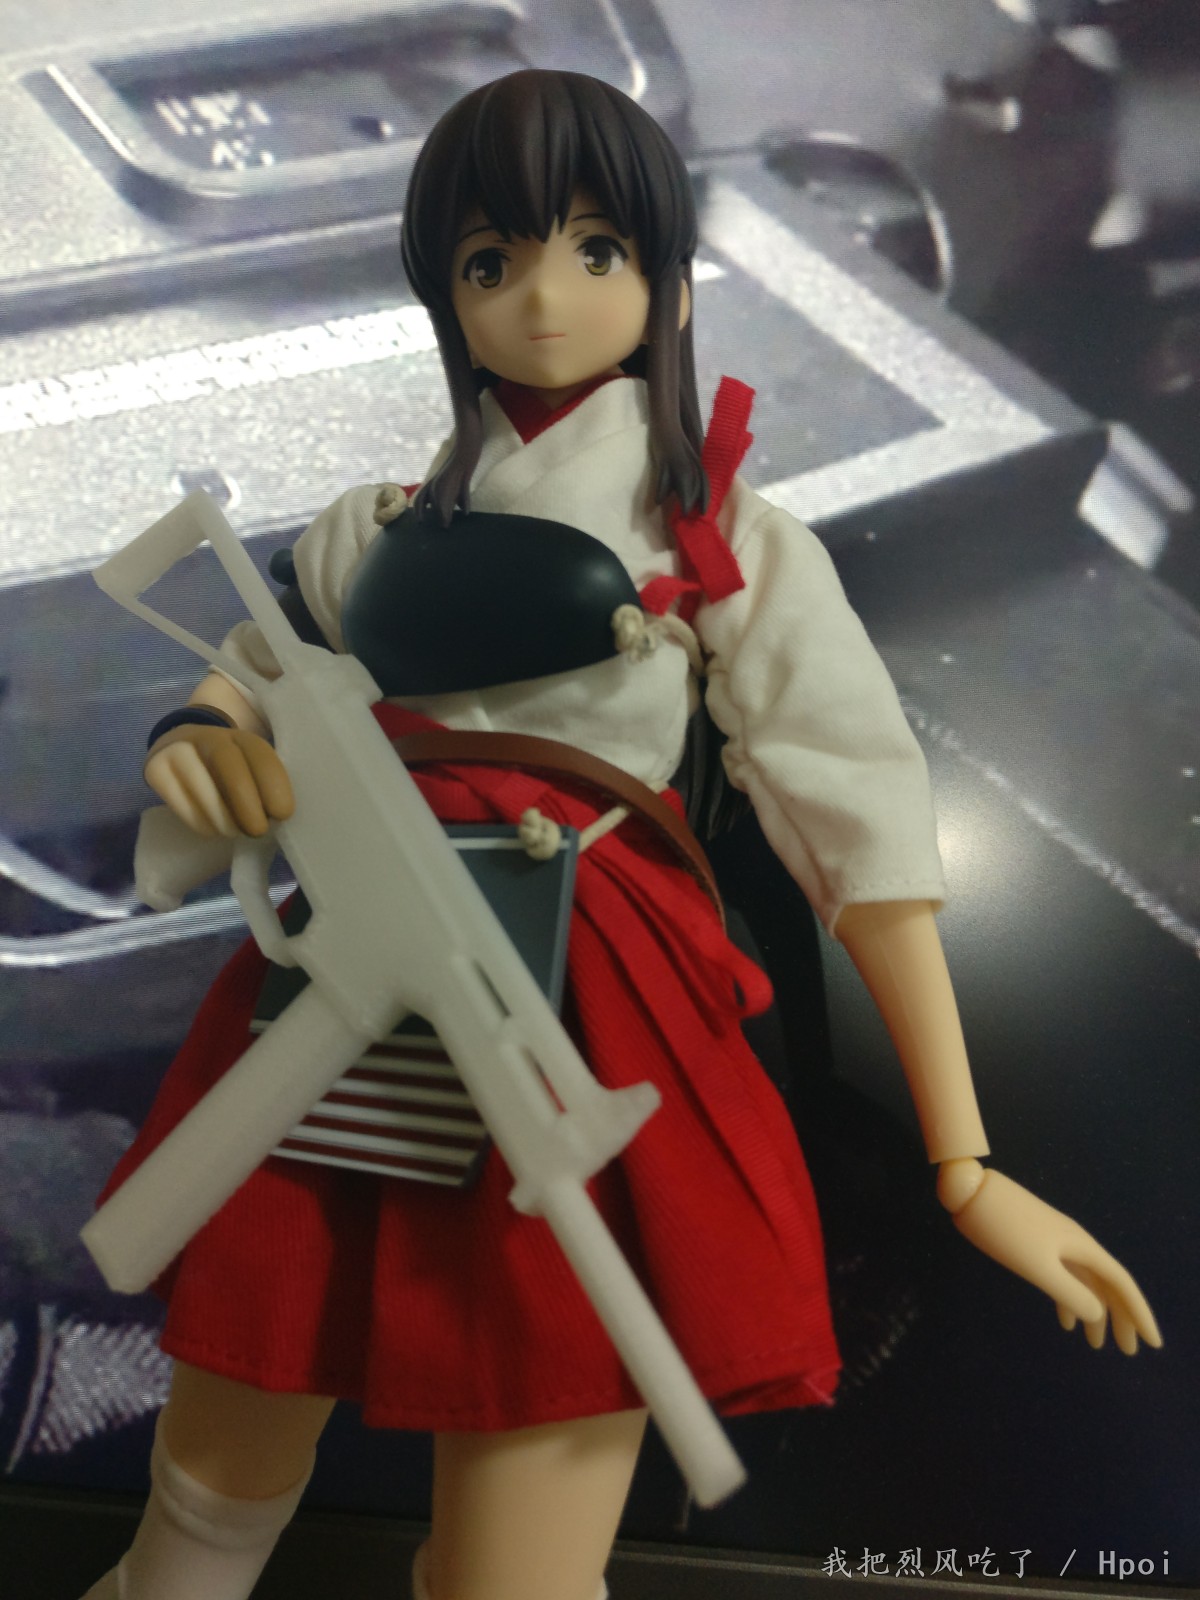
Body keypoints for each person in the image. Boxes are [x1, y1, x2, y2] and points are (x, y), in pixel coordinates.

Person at [83, 69, 1159, 1600]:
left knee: (516, 1560)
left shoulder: (723, 543)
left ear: (668, 281)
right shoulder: (371, 529)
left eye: (597, 250)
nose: (542, 299)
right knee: (206, 1497)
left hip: (581, 996)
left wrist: (964, 1161)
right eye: (492, 260)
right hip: (353, 978)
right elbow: (258, 663)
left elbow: (863, 841)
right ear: (446, 293)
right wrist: (200, 738)